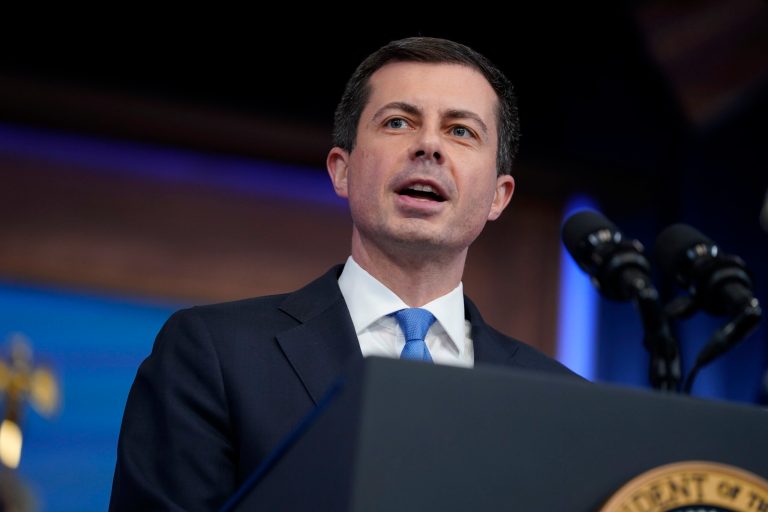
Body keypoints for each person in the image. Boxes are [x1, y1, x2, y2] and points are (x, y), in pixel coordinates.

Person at [109, 36, 579, 511]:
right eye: (398, 122)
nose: (430, 146)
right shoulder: (213, 354)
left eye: (461, 131)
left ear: (499, 196)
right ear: (342, 170)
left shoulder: (560, 402)